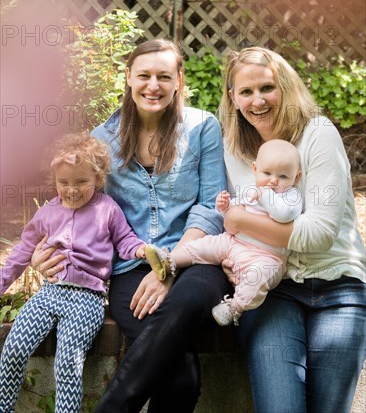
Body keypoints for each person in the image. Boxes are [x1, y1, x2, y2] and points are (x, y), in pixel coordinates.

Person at [30, 39, 231, 413]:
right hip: (130, 267)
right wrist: (45, 251)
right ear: (128, 78)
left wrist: (168, 266)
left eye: (163, 76)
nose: (153, 85)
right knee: (182, 378)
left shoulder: (203, 127)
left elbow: (210, 206)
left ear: (178, 81)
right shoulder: (102, 139)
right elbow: (82, 209)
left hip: (197, 256)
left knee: (188, 299)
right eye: (144, 75)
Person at [220, 47, 366, 413]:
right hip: (275, 290)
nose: (258, 101)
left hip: (340, 286)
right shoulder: (233, 149)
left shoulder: (318, 134)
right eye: (246, 92)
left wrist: (240, 223)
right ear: (233, 98)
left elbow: (319, 233)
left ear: (285, 87)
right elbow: (220, 216)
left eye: (267, 87)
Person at [0, 132, 146, 413]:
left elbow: (126, 239)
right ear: (54, 181)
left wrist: (140, 250)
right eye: (63, 183)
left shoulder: (107, 210)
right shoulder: (47, 214)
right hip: (49, 294)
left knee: (68, 362)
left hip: (86, 300)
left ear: (98, 179)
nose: (72, 190)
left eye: (81, 182)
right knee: (14, 349)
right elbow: (21, 253)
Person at [145, 138, 302, 326]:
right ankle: (170, 261)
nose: (273, 181)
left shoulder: (291, 196)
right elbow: (233, 214)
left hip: (266, 257)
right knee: (205, 245)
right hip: (233, 243)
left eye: (283, 176)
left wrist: (265, 195)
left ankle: (234, 307)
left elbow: (284, 215)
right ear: (255, 169)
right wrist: (225, 206)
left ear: (296, 177)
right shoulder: (251, 189)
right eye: (267, 173)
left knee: (257, 279)